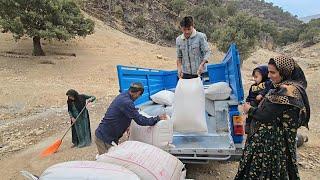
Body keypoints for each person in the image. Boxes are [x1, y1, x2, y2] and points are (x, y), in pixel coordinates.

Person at [235, 55, 310, 180]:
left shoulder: (287, 90)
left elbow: (265, 115)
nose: (269, 76)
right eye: (268, 72)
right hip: (270, 145)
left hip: (271, 147)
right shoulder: (282, 87)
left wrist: (250, 110)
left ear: (284, 72)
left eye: (272, 72)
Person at [95, 82, 167, 155]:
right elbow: (140, 120)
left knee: (113, 157)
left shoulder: (123, 95)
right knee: (108, 161)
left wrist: (127, 124)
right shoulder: (127, 102)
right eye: (139, 95)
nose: (138, 97)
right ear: (138, 93)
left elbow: (125, 113)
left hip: (108, 136)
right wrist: (157, 118)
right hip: (104, 138)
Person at [245, 65, 272, 134]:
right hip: (252, 103)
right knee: (249, 115)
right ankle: (248, 125)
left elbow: (268, 89)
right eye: (254, 77)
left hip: (261, 104)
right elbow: (249, 95)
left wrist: (261, 94)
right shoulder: (253, 86)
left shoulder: (267, 83)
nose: (255, 79)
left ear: (264, 75)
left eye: (256, 77)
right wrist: (247, 101)